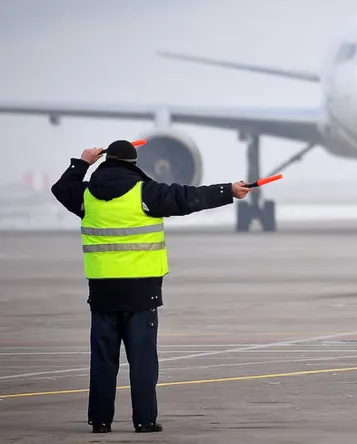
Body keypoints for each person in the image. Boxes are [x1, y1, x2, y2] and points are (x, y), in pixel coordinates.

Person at [50, 140, 253, 434]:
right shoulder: (146, 193)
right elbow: (189, 197)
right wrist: (228, 191)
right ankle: (144, 421)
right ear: (133, 164)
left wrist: (82, 162)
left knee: (103, 361)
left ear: (107, 162)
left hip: (103, 294)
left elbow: (61, 189)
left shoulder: (86, 197)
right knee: (143, 362)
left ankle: (100, 421)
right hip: (142, 293)